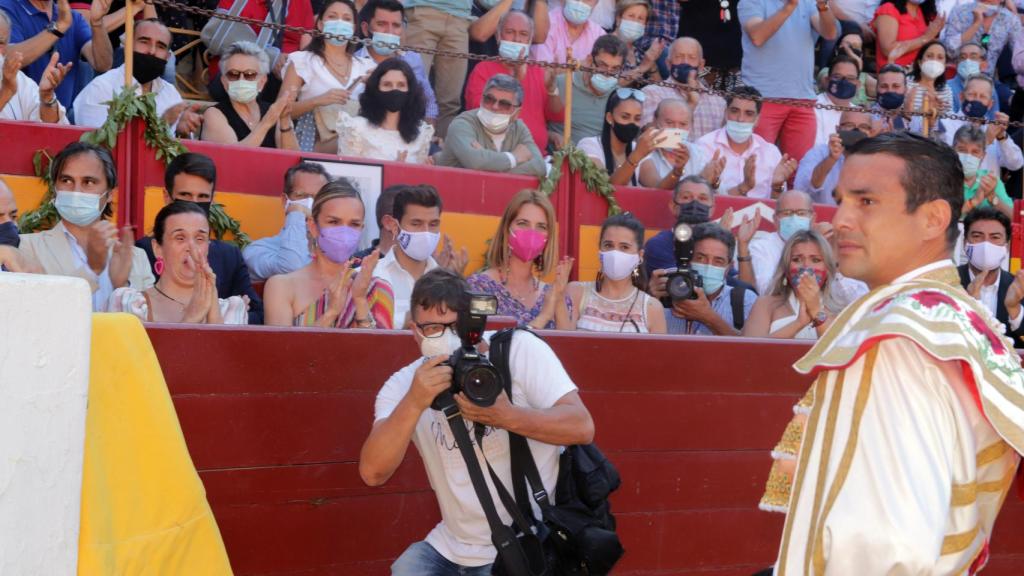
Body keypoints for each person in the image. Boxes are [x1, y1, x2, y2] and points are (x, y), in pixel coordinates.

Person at [767, 130, 1024, 575]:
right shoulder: (956, 315)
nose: (840, 219)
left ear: (932, 219)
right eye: (841, 200)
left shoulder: (896, 339)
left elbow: (886, 547)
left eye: (866, 202)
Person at [359, 267, 594, 573]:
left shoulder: (517, 350)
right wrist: (414, 402)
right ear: (415, 331)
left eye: (455, 326)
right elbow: (372, 473)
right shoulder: (404, 385)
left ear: (472, 324)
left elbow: (582, 425)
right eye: (433, 328)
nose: (445, 337)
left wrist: (508, 416)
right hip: (450, 545)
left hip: (528, 540)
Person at [18, 142, 152, 311]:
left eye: (88, 182)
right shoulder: (27, 247)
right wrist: (92, 269)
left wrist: (121, 287)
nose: (76, 191)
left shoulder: (137, 258)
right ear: (54, 188)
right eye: (67, 180)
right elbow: (35, 313)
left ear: (110, 194)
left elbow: (146, 328)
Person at [135, 152, 264, 324]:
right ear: (167, 197)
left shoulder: (229, 255)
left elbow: (256, 316)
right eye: (185, 195)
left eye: (202, 197)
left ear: (212, 200)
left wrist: (232, 311)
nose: (193, 203)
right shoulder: (144, 250)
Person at [263, 178, 394, 329]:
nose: (344, 232)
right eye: (333, 222)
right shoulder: (282, 286)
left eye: (354, 224)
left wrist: (360, 300)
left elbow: (381, 351)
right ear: (313, 227)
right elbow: (282, 351)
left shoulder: (377, 288)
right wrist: (331, 312)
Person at [109, 201, 249, 324]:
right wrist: (190, 319)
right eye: (180, 238)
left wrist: (212, 307)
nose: (191, 247)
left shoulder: (231, 309)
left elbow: (224, 353)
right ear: (158, 248)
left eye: (200, 239)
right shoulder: (127, 302)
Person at [739, 0, 838, 163]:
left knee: (797, 169)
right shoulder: (751, 1)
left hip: (802, 98)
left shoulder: (808, 2)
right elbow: (758, 36)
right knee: (756, 164)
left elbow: (830, 33)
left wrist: (823, 6)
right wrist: (790, 6)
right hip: (763, 97)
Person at [73, 19, 202, 137]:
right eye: (144, 42)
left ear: (167, 57)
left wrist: (180, 132)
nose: (152, 51)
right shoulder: (102, 87)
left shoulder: (171, 95)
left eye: (160, 46)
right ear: (128, 46)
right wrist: (161, 125)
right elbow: (98, 147)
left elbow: (177, 154)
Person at [467, 189, 573, 329]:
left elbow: (568, 347)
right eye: (523, 223)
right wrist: (544, 316)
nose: (532, 233)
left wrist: (558, 300)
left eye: (541, 227)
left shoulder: (554, 294)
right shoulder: (481, 288)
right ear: (506, 228)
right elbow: (485, 346)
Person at [281, 0, 377, 153]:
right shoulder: (302, 61)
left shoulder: (367, 66)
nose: (340, 23)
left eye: (346, 19)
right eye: (333, 17)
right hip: (316, 143)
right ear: (320, 24)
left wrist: (376, 87)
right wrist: (317, 101)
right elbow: (281, 110)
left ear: (353, 28)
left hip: (360, 151)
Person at [464, 9, 562, 152]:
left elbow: (556, 115)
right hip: (495, 153)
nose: (516, 39)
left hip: (536, 156)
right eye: (510, 32)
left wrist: (552, 89)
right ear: (498, 36)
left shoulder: (538, 71)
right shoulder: (483, 69)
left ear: (529, 40)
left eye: (523, 34)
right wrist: (515, 81)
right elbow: (484, 116)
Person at [564, 213, 665, 333]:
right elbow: (562, 343)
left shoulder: (652, 308)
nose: (615, 253)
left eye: (624, 247)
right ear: (600, 251)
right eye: (608, 245)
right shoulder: (576, 292)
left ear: (640, 255)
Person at [0, 0, 112, 107]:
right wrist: (59, 27)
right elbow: (7, 57)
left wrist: (97, 23)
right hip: (18, 118)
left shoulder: (72, 17)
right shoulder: (6, 7)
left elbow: (103, 64)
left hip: (61, 119)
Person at [432, 74, 545, 177]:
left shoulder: (519, 128)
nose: (495, 106)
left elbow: (539, 166)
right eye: (489, 99)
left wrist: (487, 164)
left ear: (517, 113)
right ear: (482, 99)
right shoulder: (462, 123)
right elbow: (474, 161)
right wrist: (513, 158)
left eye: (504, 104)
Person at [694, 86, 795, 199]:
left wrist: (777, 187)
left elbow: (778, 209)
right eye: (734, 111)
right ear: (726, 113)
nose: (740, 119)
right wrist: (744, 186)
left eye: (749, 113)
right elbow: (699, 201)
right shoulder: (704, 146)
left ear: (757, 119)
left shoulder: (770, 153)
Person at [200, 41, 299, 149]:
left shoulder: (273, 111)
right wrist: (267, 122)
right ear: (224, 82)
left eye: (249, 75)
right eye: (233, 74)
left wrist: (284, 121)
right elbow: (231, 157)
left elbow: (293, 159)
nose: (241, 80)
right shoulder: (214, 114)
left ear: (262, 81)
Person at [663, 222, 757, 335]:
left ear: (728, 267)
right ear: (688, 260)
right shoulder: (667, 293)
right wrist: (650, 297)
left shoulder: (746, 300)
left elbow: (750, 350)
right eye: (700, 258)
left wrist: (708, 317)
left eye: (718, 261)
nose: (708, 266)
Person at [243, 162, 331, 282]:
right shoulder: (258, 250)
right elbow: (291, 266)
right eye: (301, 195)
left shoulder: (335, 254)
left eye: (318, 197)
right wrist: (297, 212)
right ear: (285, 201)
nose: (310, 203)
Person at [742, 229, 837, 340]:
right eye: (797, 259)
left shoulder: (841, 310)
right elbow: (750, 352)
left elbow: (838, 352)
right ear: (786, 268)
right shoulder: (765, 304)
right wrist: (798, 323)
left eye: (815, 260)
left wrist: (817, 312)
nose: (806, 267)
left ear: (827, 269)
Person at [355, 0, 437, 124]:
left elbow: (429, 104)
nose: (390, 31)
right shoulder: (353, 62)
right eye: (381, 24)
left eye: (396, 25)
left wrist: (427, 133)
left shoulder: (413, 60)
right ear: (366, 29)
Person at [336, 58, 433, 164]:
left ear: (410, 90)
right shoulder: (356, 129)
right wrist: (391, 170)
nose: (394, 90)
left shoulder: (422, 133)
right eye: (387, 85)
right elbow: (347, 174)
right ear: (376, 89)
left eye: (401, 85)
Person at [373, 185, 444, 328]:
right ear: (394, 226)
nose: (426, 232)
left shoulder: (447, 283)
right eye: (416, 223)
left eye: (433, 224)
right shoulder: (368, 278)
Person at [402, 0, 474, 138]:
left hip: (459, 20)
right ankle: (406, 147)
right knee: (410, 90)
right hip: (422, 11)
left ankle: (440, 154)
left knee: (450, 101)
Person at [638, 37, 726, 141]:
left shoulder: (718, 101)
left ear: (701, 65)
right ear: (668, 64)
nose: (685, 62)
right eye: (679, 57)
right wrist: (691, 104)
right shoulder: (651, 93)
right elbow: (650, 138)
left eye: (691, 57)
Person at [957, 206, 1024, 341]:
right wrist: (969, 305)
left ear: (1006, 246)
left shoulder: (1019, 288)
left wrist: (1014, 309)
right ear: (965, 243)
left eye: (995, 237)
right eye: (977, 236)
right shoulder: (947, 284)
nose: (986, 244)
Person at [548, 34, 626, 148]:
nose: (607, 73)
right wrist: (552, 136)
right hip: (560, 157)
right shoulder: (562, 83)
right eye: (602, 65)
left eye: (615, 68)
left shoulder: (619, 98)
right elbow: (537, 126)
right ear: (590, 60)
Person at [935, 74, 1022, 177]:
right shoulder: (946, 123)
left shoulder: (993, 128)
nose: (977, 100)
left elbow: (1016, 164)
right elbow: (950, 161)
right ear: (961, 97)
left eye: (983, 96)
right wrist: (986, 140)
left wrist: (1002, 137)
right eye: (972, 94)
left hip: (989, 191)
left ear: (990, 104)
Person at [577, 88, 665, 187]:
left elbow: (658, 187)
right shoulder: (589, 145)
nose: (631, 123)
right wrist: (636, 156)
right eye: (625, 117)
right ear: (610, 118)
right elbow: (607, 189)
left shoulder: (638, 147)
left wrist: (677, 171)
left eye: (637, 118)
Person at [0, 11, 71, 122]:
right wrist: (6, 92)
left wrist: (47, 99)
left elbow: (51, 131)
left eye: (1, 42)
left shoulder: (18, 78)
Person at [795, 107, 875, 204]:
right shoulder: (818, 153)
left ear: (871, 133)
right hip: (822, 215)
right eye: (849, 125)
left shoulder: (879, 159)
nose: (856, 131)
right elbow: (805, 190)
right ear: (838, 129)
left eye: (863, 127)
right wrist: (831, 159)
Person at [637, 98, 715, 190]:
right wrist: (700, 179)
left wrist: (715, 179)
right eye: (669, 123)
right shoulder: (644, 150)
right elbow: (657, 190)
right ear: (655, 121)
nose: (676, 129)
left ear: (691, 125)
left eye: (683, 124)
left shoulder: (698, 153)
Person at [941, 0, 1021, 75]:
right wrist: (976, 24)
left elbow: (1020, 54)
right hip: (957, 77)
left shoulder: (1010, 20)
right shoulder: (960, 12)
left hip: (987, 82)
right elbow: (949, 51)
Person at [955, 124, 1013, 219]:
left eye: (975, 152)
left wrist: (992, 197)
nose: (968, 157)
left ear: (983, 155)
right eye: (962, 150)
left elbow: (1014, 218)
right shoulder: (943, 180)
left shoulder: (990, 180)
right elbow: (939, 218)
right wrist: (973, 202)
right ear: (953, 150)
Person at [870, 0, 944, 68]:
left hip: (920, 74)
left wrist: (934, 36)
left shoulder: (924, 11)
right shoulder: (888, 8)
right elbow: (888, 50)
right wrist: (925, 38)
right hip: (894, 75)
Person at [531, 0, 602, 64]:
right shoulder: (545, 26)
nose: (580, 4)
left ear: (596, 3)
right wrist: (580, 67)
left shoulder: (599, 34)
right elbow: (542, 71)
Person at [812, 54, 861, 147]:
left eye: (850, 78)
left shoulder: (858, 113)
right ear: (826, 80)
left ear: (858, 84)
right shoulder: (813, 107)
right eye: (837, 77)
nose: (844, 82)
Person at [815, 32, 875, 107]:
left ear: (861, 54)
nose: (849, 50)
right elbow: (830, 85)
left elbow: (885, 88)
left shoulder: (865, 77)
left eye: (855, 46)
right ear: (837, 51)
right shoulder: (826, 71)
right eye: (847, 45)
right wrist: (857, 64)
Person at [614, 0, 661, 86]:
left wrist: (652, 65)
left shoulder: (640, 52)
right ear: (618, 18)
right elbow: (608, 86)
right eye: (631, 16)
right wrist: (642, 67)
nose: (635, 22)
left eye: (640, 18)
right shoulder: (605, 44)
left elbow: (660, 89)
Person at [947, 42, 1001, 117]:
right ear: (956, 64)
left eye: (973, 57)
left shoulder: (990, 89)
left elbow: (993, 119)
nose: (967, 61)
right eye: (963, 57)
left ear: (984, 65)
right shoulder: (947, 88)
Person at [905, 39, 953, 116]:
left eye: (940, 57)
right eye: (929, 56)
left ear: (944, 65)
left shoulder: (946, 90)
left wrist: (937, 114)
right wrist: (922, 111)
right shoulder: (906, 84)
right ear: (920, 62)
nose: (934, 61)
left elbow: (948, 122)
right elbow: (898, 117)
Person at [871, 63, 913, 131]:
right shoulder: (863, 116)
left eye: (896, 86)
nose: (890, 90)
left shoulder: (914, 119)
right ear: (876, 88)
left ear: (905, 89)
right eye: (884, 86)